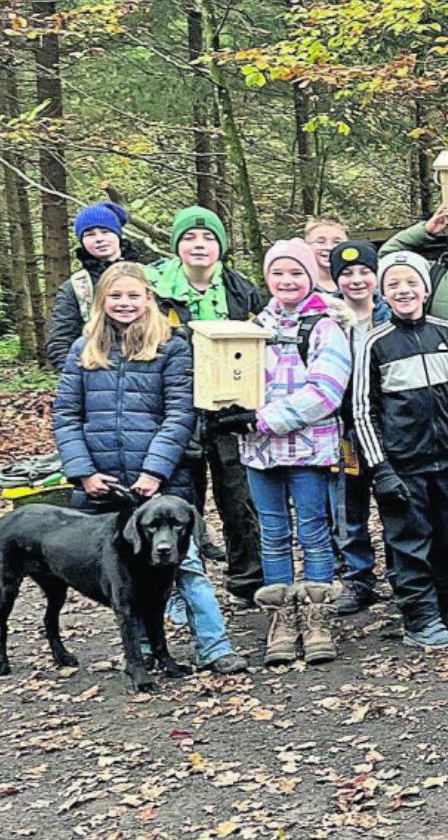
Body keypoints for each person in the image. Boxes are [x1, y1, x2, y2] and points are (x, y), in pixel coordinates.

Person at [51, 262, 247, 674]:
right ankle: (142, 651)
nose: (125, 304)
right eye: (116, 296)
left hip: (162, 484)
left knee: (187, 566)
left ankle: (214, 644)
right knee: (125, 573)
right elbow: (66, 415)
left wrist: (154, 472)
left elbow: (179, 414)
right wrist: (83, 472)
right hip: (103, 485)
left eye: (134, 296)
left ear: (148, 299)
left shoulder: (171, 346)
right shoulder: (83, 350)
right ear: (102, 301)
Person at [352, 251, 448, 649]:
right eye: (393, 284)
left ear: (426, 289)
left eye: (411, 283)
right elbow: (362, 409)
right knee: (410, 543)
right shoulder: (375, 343)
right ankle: (419, 616)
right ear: (383, 293)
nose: (403, 290)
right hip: (402, 465)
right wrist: (381, 468)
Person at [234, 240, 353, 665]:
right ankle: (281, 616)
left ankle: (317, 616)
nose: (287, 281)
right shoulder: (251, 328)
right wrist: (227, 409)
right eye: (278, 273)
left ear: (310, 277)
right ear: (267, 278)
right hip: (260, 454)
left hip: (308, 451)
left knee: (314, 531)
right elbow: (234, 378)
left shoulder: (325, 326)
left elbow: (326, 392)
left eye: (296, 273)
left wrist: (260, 419)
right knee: (272, 533)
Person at [150, 205, 268, 605]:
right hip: (176, 410)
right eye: (189, 238)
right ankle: (178, 588)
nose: (199, 245)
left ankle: (247, 583)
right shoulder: (154, 290)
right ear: (176, 246)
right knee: (180, 502)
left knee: (239, 500)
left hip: (231, 411)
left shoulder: (241, 290)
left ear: (221, 246)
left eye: (208, 238)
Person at [325, 240, 390, 615]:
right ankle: (357, 576)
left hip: (386, 424)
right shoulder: (326, 319)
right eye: (347, 274)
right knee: (348, 508)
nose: (357, 279)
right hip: (342, 427)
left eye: (364, 271)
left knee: (394, 501)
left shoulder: (389, 314)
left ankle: (402, 570)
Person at [45, 201, 154, 369]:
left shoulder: (151, 277)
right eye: (90, 234)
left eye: (105, 231)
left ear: (118, 234)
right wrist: (81, 378)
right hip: (96, 375)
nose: (99, 239)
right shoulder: (76, 286)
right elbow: (59, 343)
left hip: (149, 374)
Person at [302, 217, 350, 291]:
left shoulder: (356, 282)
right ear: (307, 245)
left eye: (337, 242)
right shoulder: (301, 284)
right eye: (321, 242)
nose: (329, 247)